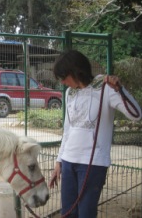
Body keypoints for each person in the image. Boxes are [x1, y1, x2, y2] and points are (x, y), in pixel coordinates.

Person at [49, 49, 141, 218]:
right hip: (69, 161)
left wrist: (120, 90)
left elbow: (136, 115)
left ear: (75, 71)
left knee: (86, 214)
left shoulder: (105, 88)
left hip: (92, 164)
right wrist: (58, 161)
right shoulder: (71, 92)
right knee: (67, 213)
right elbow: (68, 129)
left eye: (63, 77)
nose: (62, 82)